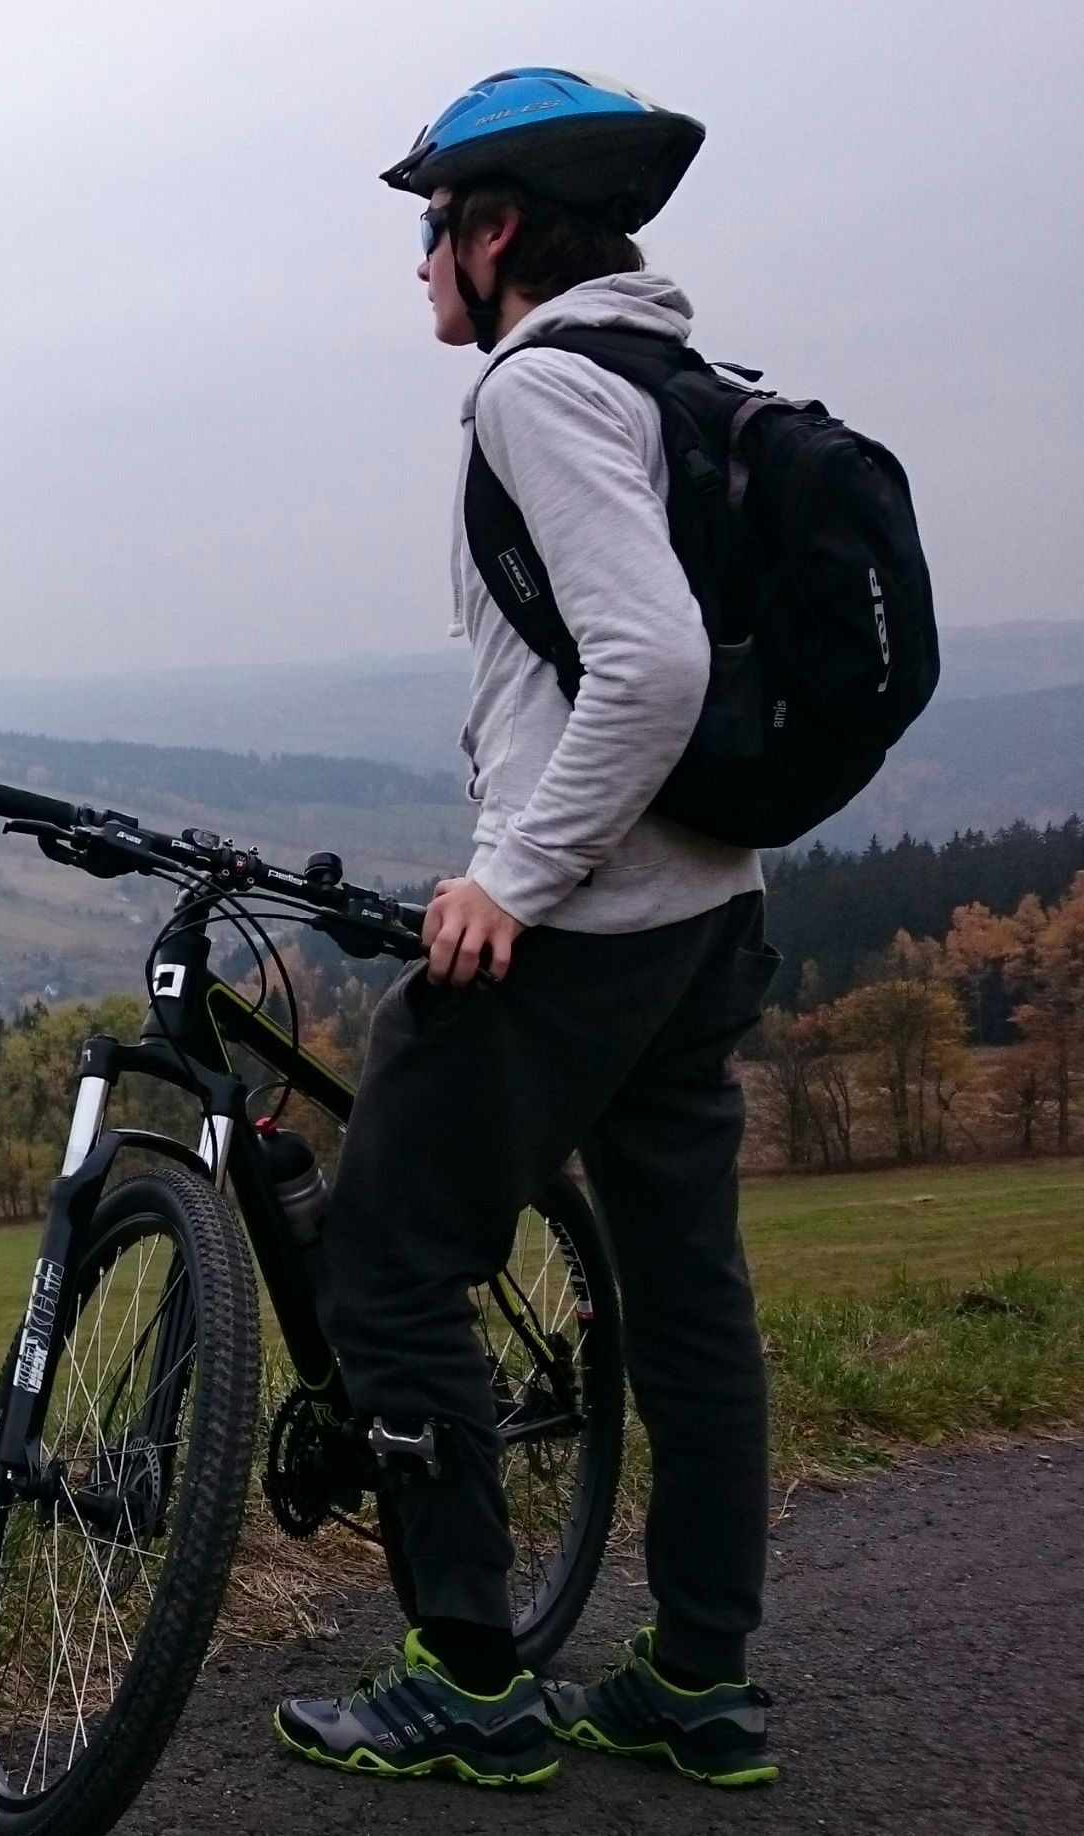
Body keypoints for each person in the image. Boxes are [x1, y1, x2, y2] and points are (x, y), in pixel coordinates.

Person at [269, 69, 784, 1791]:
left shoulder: (540, 390)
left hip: (583, 929)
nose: (420, 263)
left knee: (387, 1261)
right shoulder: (677, 377)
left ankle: (469, 1671)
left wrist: (514, 877)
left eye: (433, 229)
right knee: (689, 1296)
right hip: (709, 914)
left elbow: (652, 663)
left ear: (497, 235)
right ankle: (701, 1679)